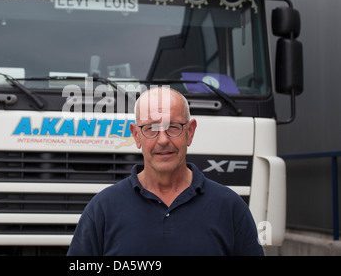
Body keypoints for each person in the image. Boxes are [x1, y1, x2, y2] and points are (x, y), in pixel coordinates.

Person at [67, 87, 264, 256]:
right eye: (151, 128)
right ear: (136, 136)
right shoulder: (102, 209)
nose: (163, 140)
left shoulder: (230, 208)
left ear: (190, 132)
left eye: (173, 127)